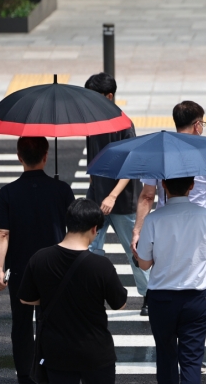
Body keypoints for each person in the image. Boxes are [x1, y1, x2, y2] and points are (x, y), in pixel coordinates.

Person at [0, 137, 75, 384]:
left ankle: (25, 376)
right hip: (56, 268)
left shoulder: (8, 192)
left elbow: (2, 233)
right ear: (46, 155)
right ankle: (49, 371)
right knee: (52, 322)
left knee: (22, 323)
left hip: (21, 270)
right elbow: (74, 229)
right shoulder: (62, 190)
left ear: (19, 156)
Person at [18, 198, 128, 384]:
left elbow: (26, 299)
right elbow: (120, 304)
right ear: (94, 229)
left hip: (56, 353)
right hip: (95, 352)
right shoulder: (101, 266)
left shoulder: (40, 258)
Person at [135, 177, 206, 384]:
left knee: (166, 356)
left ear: (164, 185)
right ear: (192, 186)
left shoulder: (153, 219)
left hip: (161, 297)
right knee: (192, 359)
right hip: (197, 297)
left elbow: (144, 264)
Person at [84, 72, 148, 316]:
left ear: (109, 97)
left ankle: (148, 295)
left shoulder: (124, 124)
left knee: (134, 250)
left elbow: (130, 167)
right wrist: (96, 190)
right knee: (90, 249)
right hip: (97, 198)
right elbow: (92, 160)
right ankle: (91, 295)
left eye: (94, 97)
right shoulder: (91, 123)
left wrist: (111, 196)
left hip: (123, 201)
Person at [132, 100, 206, 248]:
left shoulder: (159, 151)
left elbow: (147, 196)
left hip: (164, 222)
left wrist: (137, 231)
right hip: (198, 222)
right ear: (197, 125)